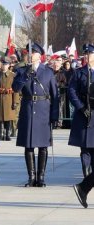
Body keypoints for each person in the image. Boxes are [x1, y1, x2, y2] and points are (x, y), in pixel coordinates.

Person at [12, 42, 59, 187]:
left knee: (43, 146)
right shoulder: (21, 71)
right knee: (29, 145)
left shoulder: (48, 72)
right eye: (28, 53)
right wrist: (26, 74)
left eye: (33, 53)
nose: (30, 55)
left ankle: (41, 177)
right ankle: (31, 177)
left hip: (43, 110)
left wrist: (54, 116)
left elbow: (55, 95)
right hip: (27, 109)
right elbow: (15, 88)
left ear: (39, 55)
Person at [69, 44, 94, 178]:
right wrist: (81, 107)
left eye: (89, 53)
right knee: (84, 147)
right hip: (83, 113)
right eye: (85, 53)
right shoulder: (79, 72)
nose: (87, 56)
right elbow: (72, 92)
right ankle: (86, 174)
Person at [0, 57, 19, 141]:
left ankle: (7, 134)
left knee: (8, 118)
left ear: (9, 65)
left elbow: (16, 89)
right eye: (3, 64)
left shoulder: (12, 75)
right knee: (0, 118)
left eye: (6, 64)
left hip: (9, 99)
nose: (4, 66)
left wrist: (15, 101)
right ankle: (1, 133)